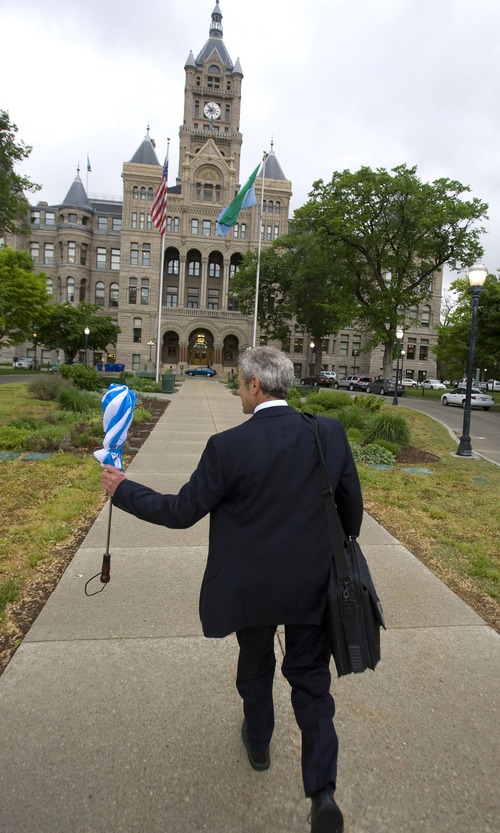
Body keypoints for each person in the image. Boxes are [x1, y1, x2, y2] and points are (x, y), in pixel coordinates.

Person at [102, 346, 363, 833]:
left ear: (254, 387)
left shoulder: (228, 448)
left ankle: (259, 742)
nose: (241, 391)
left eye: (241, 384)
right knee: (311, 682)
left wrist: (122, 489)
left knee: (256, 664)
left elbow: (181, 512)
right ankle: (323, 791)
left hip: (251, 588)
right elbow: (351, 515)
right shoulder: (328, 433)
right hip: (313, 584)